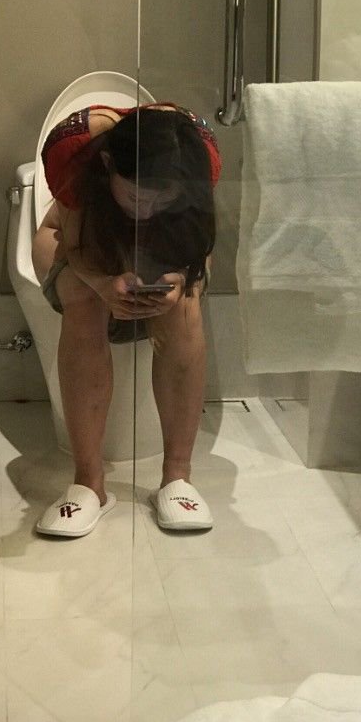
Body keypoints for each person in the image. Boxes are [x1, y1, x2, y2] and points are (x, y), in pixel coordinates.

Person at [31, 102, 221, 538]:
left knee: (184, 304)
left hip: (161, 247)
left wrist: (178, 280)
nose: (147, 209)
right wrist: (103, 285)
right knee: (83, 302)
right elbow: (75, 246)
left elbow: (199, 242)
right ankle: (88, 484)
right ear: (107, 164)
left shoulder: (200, 157)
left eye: (162, 198)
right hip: (79, 238)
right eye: (136, 196)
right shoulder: (72, 149)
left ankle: (177, 477)